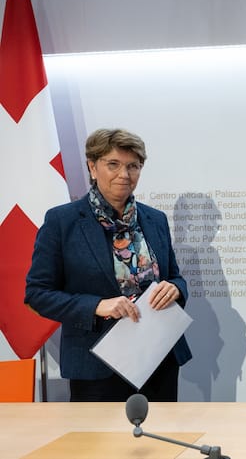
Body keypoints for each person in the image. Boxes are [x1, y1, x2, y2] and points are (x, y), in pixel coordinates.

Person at [25, 128, 191, 402]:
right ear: (92, 167)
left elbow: (175, 277)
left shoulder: (155, 219)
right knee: (99, 444)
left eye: (133, 166)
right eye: (113, 164)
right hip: (97, 367)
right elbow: (37, 294)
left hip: (159, 360)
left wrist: (175, 288)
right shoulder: (62, 221)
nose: (124, 175)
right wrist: (97, 306)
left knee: (164, 442)